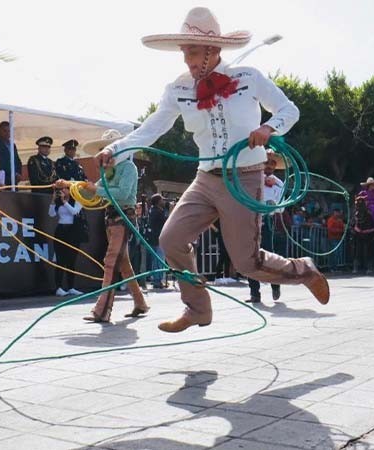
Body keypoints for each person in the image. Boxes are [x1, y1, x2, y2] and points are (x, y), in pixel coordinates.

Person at [92, 8, 328, 332]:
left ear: (213, 50)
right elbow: (151, 128)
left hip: (244, 178)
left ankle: (303, 270)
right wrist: (115, 150)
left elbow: (289, 109)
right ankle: (198, 309)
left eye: (192, 50)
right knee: (171, 238)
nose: (186, 58)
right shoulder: (177, 88)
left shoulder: (248, 77)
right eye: (183, 51)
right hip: (205, 179)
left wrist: (269, 128)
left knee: (247, 262)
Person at [56, 129, 149, 322]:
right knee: (123, 263)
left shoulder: (128, 168)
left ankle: (102, 310)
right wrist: (66, 184)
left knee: (111, 260)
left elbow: (122, 193)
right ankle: (140, 303)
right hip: (112, 219)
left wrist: (94, 188)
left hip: (123, 217)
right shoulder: (109, 172)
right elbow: (90, 192)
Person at [247, 151, 284, 302]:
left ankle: (275, 285)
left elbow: (281, 207)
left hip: (267, 223)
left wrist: (272, 207)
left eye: (272, 163)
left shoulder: (279, 183)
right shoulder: (250, 178)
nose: (269, 165)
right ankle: (254, 293)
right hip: (249, 221)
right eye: (266, 161)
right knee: (249, 256)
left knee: (267, 255)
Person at [49, 184, 84, 297]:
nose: (63, 191)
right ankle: (58, 287)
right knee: (60, 260)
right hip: (61, 230)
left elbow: (74, 212)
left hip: (73, 232)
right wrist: (53, 200)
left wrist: (65, 202)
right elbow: (51, 214)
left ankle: (71, 287)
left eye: (65, 188)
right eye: (61, 189)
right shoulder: (59, 201)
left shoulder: (77, 200)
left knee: (71, 260)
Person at [0, 121, 22, 186]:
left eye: (9, 131)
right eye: (5, 131)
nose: (7, 133)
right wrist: (10, 176)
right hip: (1, 180)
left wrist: (18, 173)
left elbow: (17, 160)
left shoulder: (12, 145)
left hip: (14, 180)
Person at [147, 193, 168, 289]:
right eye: (162, 200)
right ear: (158, 202)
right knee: (159, 260)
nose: (163, 201)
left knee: (155, 260)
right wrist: (171, 209)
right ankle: (157, 280)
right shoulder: (158, 212)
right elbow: (167, 222)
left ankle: (156, 278)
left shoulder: (152, 210)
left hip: (153, 239)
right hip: (159, 239)